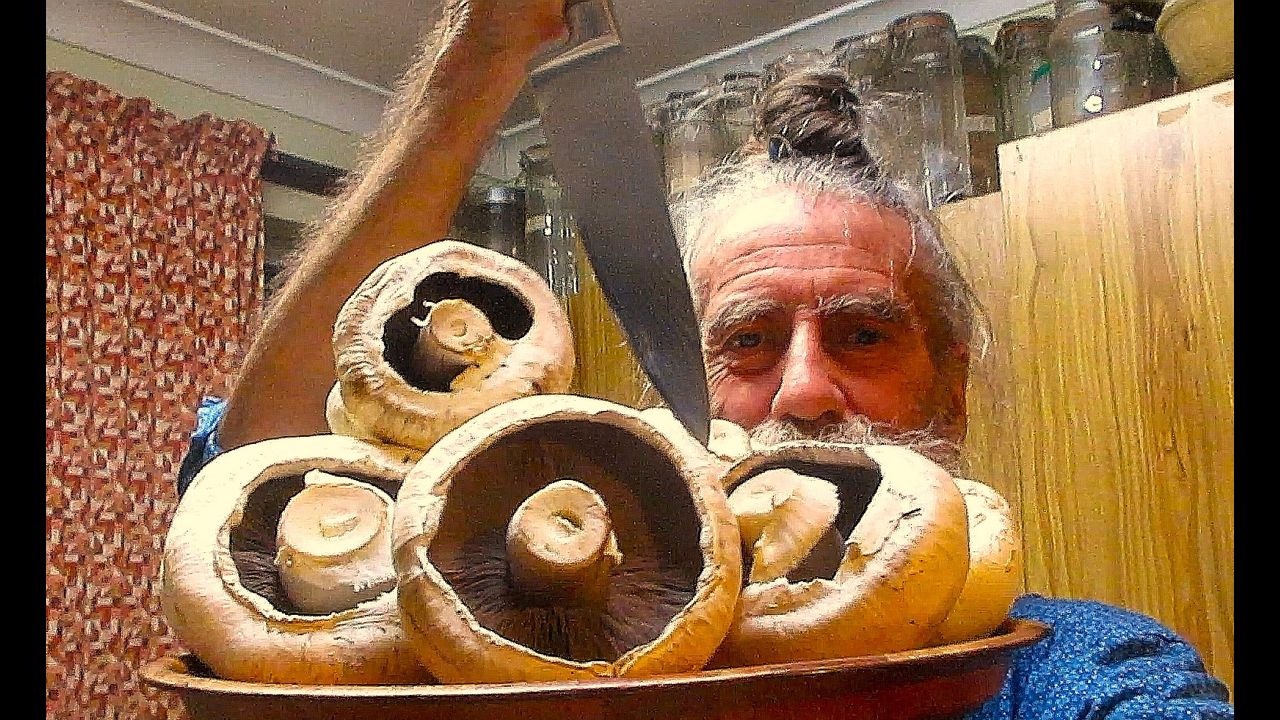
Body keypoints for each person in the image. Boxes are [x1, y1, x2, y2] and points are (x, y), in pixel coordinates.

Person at [175, 1, 1234, 716]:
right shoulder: (576, 675)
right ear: (666, 401)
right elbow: (255, 466)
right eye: (747, 340)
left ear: (950, 390)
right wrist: (473, 70)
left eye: (863, 334)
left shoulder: (1075, 672)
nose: (805, 391)